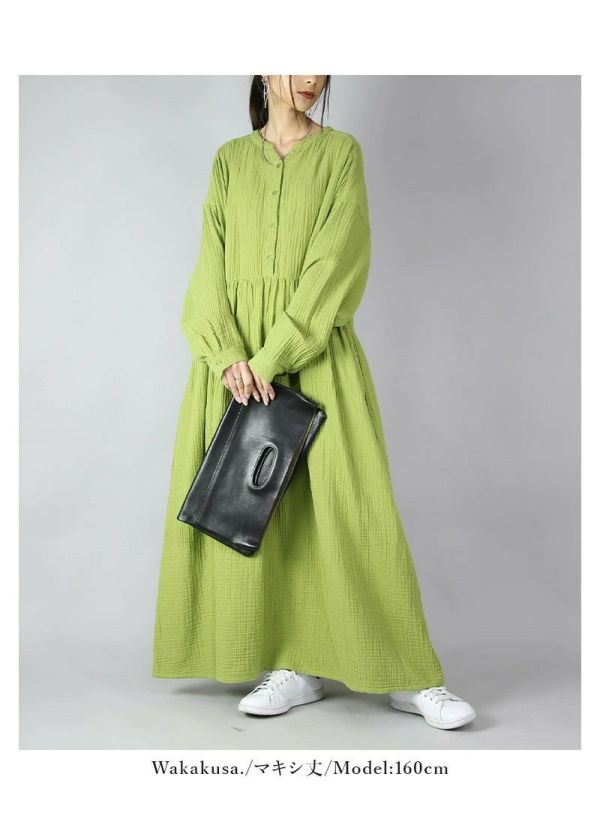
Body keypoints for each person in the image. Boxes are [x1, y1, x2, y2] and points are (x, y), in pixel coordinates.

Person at [152, 75, 476, 731]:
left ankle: (408, 672)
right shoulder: (229, 160)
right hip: (238, 366)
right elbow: (210, 265)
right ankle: (292, 664)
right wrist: (227, 355)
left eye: (323, 62)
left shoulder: (340, 153)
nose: (312, 77)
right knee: (263, 515)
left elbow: (335, 265)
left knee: (353, 510)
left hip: (315, 353)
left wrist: (270, 358)